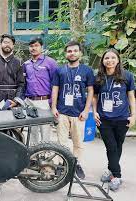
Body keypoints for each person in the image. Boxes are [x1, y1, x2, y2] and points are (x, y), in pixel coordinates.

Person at [93, 48, 135, 191]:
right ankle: (117, 176)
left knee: (117, 146)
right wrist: (94, 112)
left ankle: (111, 170)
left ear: (118, 60)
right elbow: (94, 96)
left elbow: (131, 96)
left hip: (122, 118)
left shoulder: (127, 76)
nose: (109, 60)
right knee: (111, 146)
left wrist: (134, 115)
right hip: (103, 119)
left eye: (112, 58)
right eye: (106, 58)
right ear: (103, 61)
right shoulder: (99, 77)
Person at [52, 41, 95, 179]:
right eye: (69, 51)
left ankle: (76, 164)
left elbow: (90, 91)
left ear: (80, 53)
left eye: (75, 51)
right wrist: (53, 107)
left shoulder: (87, 70)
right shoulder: (60, 70)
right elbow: (55, 89)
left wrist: (86, 110)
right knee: (61, 142)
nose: (72, 53)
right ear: (66, 53)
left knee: (78, 142)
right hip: (62, 111)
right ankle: (60, 164)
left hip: (79, 113)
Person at [23, 37, 58, 144]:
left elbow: (56, 84)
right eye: (31, 46)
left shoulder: (50, 62)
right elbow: (24, 82)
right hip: (30, 101)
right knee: (32, 130)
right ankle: (33, 155)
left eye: (36, 45)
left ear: (41, 47)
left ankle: (44, 155)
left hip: (44, 101)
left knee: (45, 130)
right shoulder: (26, 64)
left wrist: (53, 104)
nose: (33, 48)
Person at [0, 34, 25, 116]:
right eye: (5, 42)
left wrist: (16, 100)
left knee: (12, 127)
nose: (7, 44)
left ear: (13, 45)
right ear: (1, 44)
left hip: (12, 101)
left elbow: (21, 84)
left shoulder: (19, 62)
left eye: (10, 43)